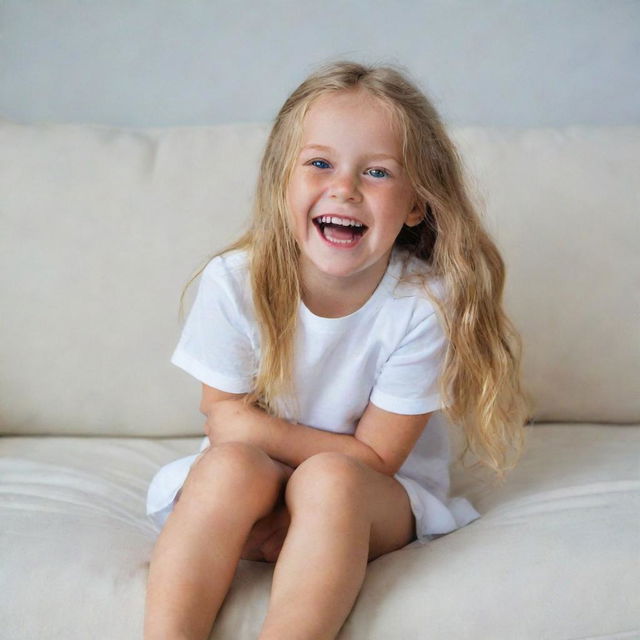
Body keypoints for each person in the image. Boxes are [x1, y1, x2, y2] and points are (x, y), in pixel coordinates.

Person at [143, 60, 532, 640]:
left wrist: (253, 430)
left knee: (328, 480)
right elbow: (223, 427)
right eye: (320, 163)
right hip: (255, 496)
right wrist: (244, 438)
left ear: (416, 205)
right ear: (283, 181)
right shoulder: (234, 282)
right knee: (226, 468)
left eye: (377, 172)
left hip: (367, 502)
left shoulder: (424, 304)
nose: (344, 188)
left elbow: (373, 460)